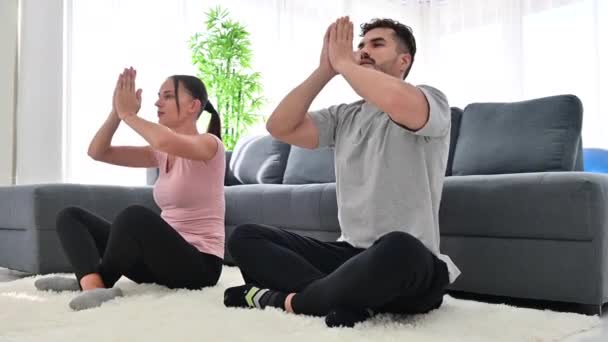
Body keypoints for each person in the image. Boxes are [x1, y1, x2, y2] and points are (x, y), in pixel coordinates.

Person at [223, 17, 461, 328]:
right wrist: (326, 69)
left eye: (377, 45)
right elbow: (279, 126)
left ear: (404, 61)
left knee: (398, 247)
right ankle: (344, 297)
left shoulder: (430, 99)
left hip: (408, 262)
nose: (363, 51)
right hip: (350, 256)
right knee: (245, 237)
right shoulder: (344, 115)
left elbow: (395, 100)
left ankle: (286, 299)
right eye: (360, 45)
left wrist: (347, 65)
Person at [35, 68, 226, 311]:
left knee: (134, 216)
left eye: (167, 96)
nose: (157, 102)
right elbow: (98, 152)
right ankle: (93, 285)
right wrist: (116, 112)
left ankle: (95, 281)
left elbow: (163, 140)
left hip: (199, 267)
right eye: (158, 95)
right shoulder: (162, 152)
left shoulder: (209, 145)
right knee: (70, 216)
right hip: (161, 262)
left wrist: (128, 114)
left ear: (193, 106)